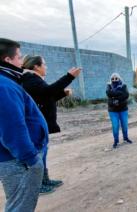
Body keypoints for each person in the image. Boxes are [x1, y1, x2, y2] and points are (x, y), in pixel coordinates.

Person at [0, 38, 48, 212]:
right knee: (20, 206)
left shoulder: (7, 82)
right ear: (8, 60)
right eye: (19, 57)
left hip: (15, 158)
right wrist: (31, 158)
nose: (22, 62)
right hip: (19, 161)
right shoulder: (4, 86)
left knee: (18, 204)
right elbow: (12, 128)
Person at [21, 55, 81, 194]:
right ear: (36, 66)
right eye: (44, 64)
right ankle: (38, 185)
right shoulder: (30, 79)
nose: (46, 67)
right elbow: (48, 91)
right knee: (38, 154)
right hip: (34, 125)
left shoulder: (34, 79)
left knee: (43, 153)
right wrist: (69, 76)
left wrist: (62, 94)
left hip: (40, 124)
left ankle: (44, 179)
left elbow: (45, 96)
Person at [106, 73, 133, 149]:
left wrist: (115, 97)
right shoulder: (108, 86)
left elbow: (126, 95)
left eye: (116, 78)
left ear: (119, 78)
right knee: (115, 126)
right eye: (113, 78)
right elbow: (108, 94)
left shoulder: (124, 86)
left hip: (123, 110)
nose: (114, 80)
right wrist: (120, 94)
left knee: (124, 125)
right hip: (113, 111)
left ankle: (125, 138)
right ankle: (116, 141)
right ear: (111, 79)